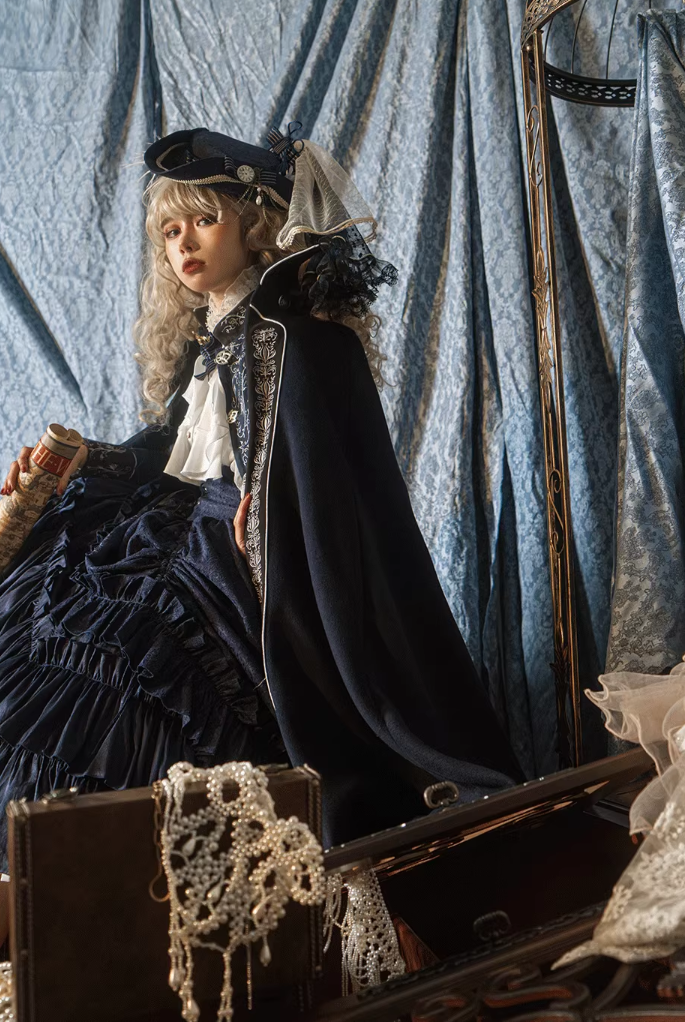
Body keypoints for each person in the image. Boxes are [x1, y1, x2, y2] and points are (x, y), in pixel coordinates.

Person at [0, 125, 520, 876]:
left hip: (233, 553)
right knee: (54, 628)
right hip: (169, 534)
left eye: (203, 220)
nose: (184, 243)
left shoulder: (302, 342)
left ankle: (129, 880)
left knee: (133, 660)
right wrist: (95, 459)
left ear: (253, 224)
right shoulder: (207, 342)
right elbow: (177, 450)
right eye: (170, 231)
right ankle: (51, 880)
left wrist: (272, 522)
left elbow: (325, 486)